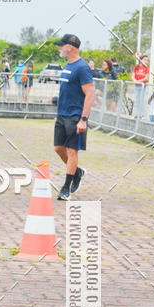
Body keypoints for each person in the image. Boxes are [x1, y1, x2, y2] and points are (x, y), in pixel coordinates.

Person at [53, 33, 94, 201]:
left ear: (70, 47)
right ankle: (77, 172)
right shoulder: (68, 65)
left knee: (72, 151)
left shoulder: (82, 67)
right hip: (62, 115)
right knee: (58, 148)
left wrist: (83, 119)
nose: (59, 48)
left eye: (62, 45)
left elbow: (89, 93)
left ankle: (66, 188)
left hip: (75, 117)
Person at [132, 53, 149, 117]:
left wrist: (138, 81)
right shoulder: (136, 67)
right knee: (137, 100)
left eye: (147, 60)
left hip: (143, 86)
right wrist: (134, 80)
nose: (146, 61)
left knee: (142, 100)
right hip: (137, 86)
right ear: (140, 60)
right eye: (144, 60)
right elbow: (133, 76)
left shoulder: (146, 68)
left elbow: (146, 78)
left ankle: (142, 115)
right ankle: (138, 114)